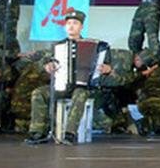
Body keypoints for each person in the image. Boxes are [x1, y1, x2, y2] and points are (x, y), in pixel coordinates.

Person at [25, 9, 114, 145]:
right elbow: (46, 62)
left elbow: (107, 66)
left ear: (81, 27)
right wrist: (47, 66)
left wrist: (107, 69)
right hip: (62, 85)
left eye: (75, 23)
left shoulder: (95, 46)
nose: (71, 26)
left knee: (80, 94)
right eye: (69, 23)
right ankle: (37, 132)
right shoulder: (57, 46)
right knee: (39, 93)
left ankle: (70, 133)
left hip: (83, 87)